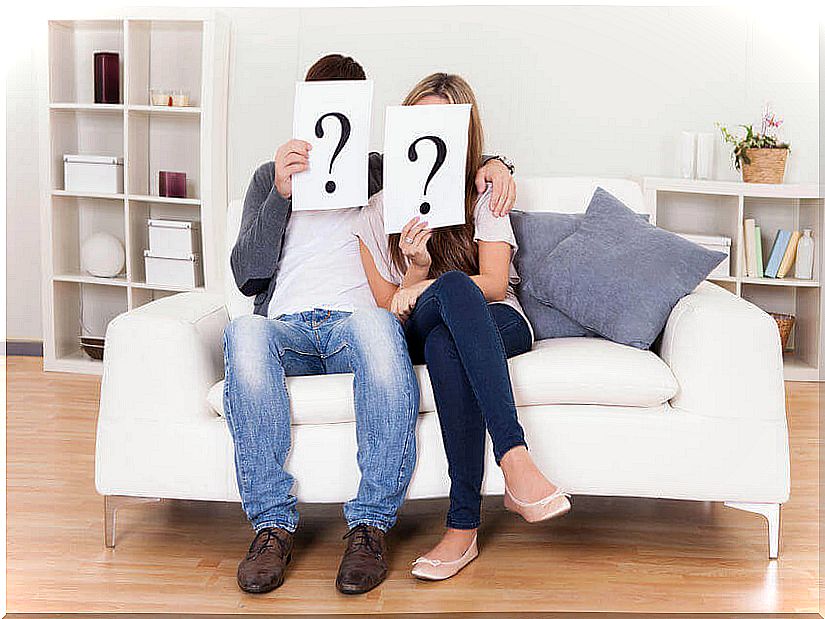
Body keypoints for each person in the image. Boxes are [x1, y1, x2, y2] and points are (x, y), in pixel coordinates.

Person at [224, 55, 517, 595]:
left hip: (357, 324)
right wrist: (279, 196)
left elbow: (448, 159)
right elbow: (246, 275)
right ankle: (270, 526)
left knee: (380, 330)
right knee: (242, 333)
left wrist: (496, 164)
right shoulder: (269, 177)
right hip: (284, 326)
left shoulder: (384, 170)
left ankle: (371, 526)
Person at [355, 73, 570, 582]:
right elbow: (390, 309)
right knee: (445, 302)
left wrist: (432, 285)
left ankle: (462, 531)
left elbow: (495, 284)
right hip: (417, 319)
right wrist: (416, 270)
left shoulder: (483, 194)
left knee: (447, 337)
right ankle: (514, 461)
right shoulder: (375, 212)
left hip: (497, 322)